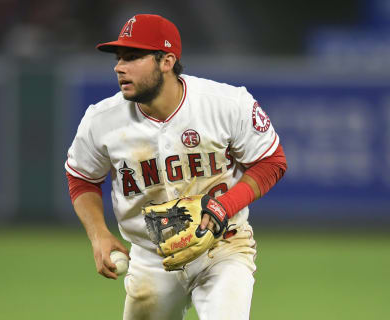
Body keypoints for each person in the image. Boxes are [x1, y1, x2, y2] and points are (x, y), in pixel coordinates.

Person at [65, 14, 287, 320]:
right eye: (119, 58)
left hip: (222, 245)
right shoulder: (101, 120)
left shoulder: (225, 103)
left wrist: (226, 205)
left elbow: (271, 161)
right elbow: (81, 178)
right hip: (150, 256)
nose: (119, 67)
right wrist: (98, 234)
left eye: (132, 57)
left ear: (166, 61)